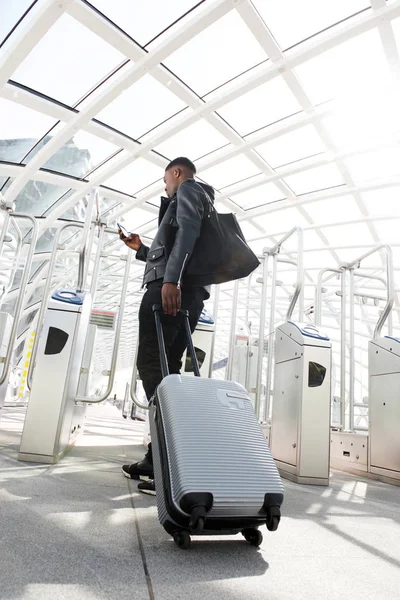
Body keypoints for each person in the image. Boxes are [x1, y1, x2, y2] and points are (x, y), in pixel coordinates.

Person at [119, 157, 214, 495]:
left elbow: (187, 234)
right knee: (167, 369)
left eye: (165, 180)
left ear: (176, 173)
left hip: (169, 291)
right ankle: (156, 455)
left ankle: (169, 458)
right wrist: (141, 249)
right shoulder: (198, 199)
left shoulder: (188, 189)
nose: (165, 186)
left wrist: (170, 280)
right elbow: (178, 243)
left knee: (150, 365)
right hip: (184, 291)